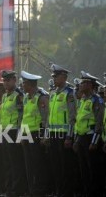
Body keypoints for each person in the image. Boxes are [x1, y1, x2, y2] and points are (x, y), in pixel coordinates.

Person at [48, 63, 78, 197]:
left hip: (64, 134)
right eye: (53, 77)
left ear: (64, 77)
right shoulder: (53, 93)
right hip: (54, 133)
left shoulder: (70, 93)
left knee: (65, 165)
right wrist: (47, 134)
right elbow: (50, 115)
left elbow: (72, 117)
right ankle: (59, 190)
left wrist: (69, 136)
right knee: (55, 165)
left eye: (56, 77)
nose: (54, 79)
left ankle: (67, 191)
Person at [73, 71, 104, 196]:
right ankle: (86, 192)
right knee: (83, 168)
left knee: (93, 168)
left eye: (83, 83)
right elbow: (78, 121)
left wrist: (94, 141)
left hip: (91, 138)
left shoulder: (97, 100)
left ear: (90, 85)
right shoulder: (83, 100)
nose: (80, 85)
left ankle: (95, 192)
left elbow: (99, 123)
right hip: (81, 137)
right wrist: (76, 139)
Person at [19, 71, 49, 196]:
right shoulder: (26, 97)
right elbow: (25, 117)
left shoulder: (41, 96)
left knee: (37, 164)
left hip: (37, 134)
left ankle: (40, 190)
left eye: (24, 84)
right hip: (27, 134)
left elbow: (45, 118)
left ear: (30, 84)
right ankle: (32, 190)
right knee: (29, 165)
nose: (22, 86)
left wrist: (43, 136)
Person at [0, 70, 27, 196]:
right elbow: (2, 116)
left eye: (8, 80)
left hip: (14, 131)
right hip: (5, 131)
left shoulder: (19, 95)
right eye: (4, 80)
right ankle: (9, 189)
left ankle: (17, 190)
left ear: (14, 80)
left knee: (15, 162)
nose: (5, 83)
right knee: (7, 162)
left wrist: (20, 134)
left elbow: (22, 116)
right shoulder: (5, 96)